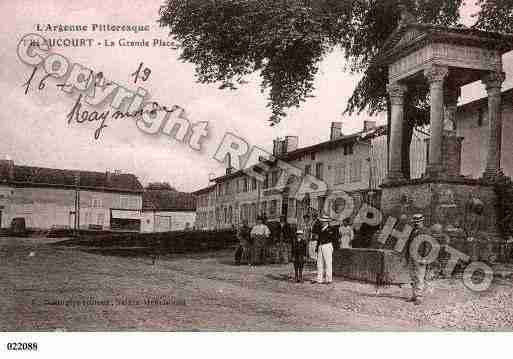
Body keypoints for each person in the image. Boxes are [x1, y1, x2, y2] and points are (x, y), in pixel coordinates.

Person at [405, 213, 430, 305]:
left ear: (422, 221)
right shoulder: (413, 231)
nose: (416, 223)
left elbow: (427, 245)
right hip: (412, 256)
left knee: (420, 276)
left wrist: (425, 257)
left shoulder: (425, 231)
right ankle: (414, 295)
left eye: (418, 222)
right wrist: (407, 255)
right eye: (415, 222)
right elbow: (408, 244)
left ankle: (419, 296)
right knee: (413, 276)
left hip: (420, 257)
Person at [314, 215, 337, 284]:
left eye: (324, 221)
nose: (322, 223)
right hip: (321, 246)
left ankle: (328, 279)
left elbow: (333, 238)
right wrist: (317, 247)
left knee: (328, 263)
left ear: (327, 222)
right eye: (322, 221)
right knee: (319, 263)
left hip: (327, 245)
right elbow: (318, 239)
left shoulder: (331, 229)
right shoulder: (320, 229)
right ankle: (319, 279)